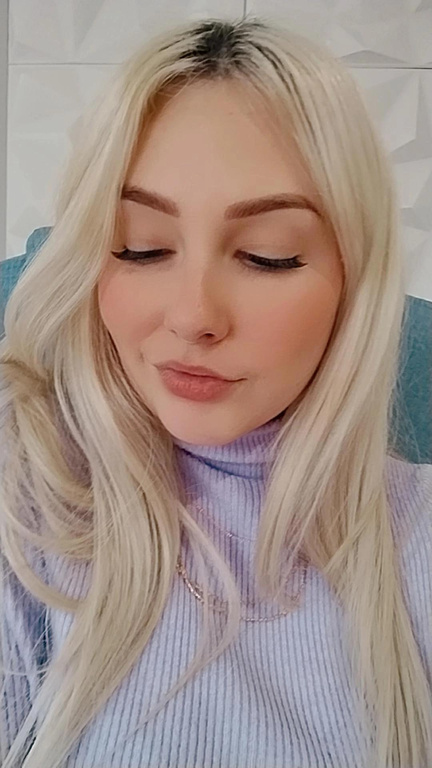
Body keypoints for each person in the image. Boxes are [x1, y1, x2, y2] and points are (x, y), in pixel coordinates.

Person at [0, 15, 431, 768]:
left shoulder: (416, 532)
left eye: (268, 256)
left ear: (352, 282)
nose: (194, 315)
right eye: (140, 247)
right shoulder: (25, 483)